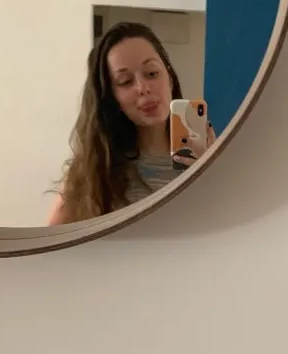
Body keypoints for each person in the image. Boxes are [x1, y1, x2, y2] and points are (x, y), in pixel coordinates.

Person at [48, 21, 214, 225]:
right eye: (125, 81)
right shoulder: (94, 165)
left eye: (151, 73)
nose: (143, 88)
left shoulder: (204, 156)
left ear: (169, 77)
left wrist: (213, 176)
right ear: (111, 97)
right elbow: (53, 239)